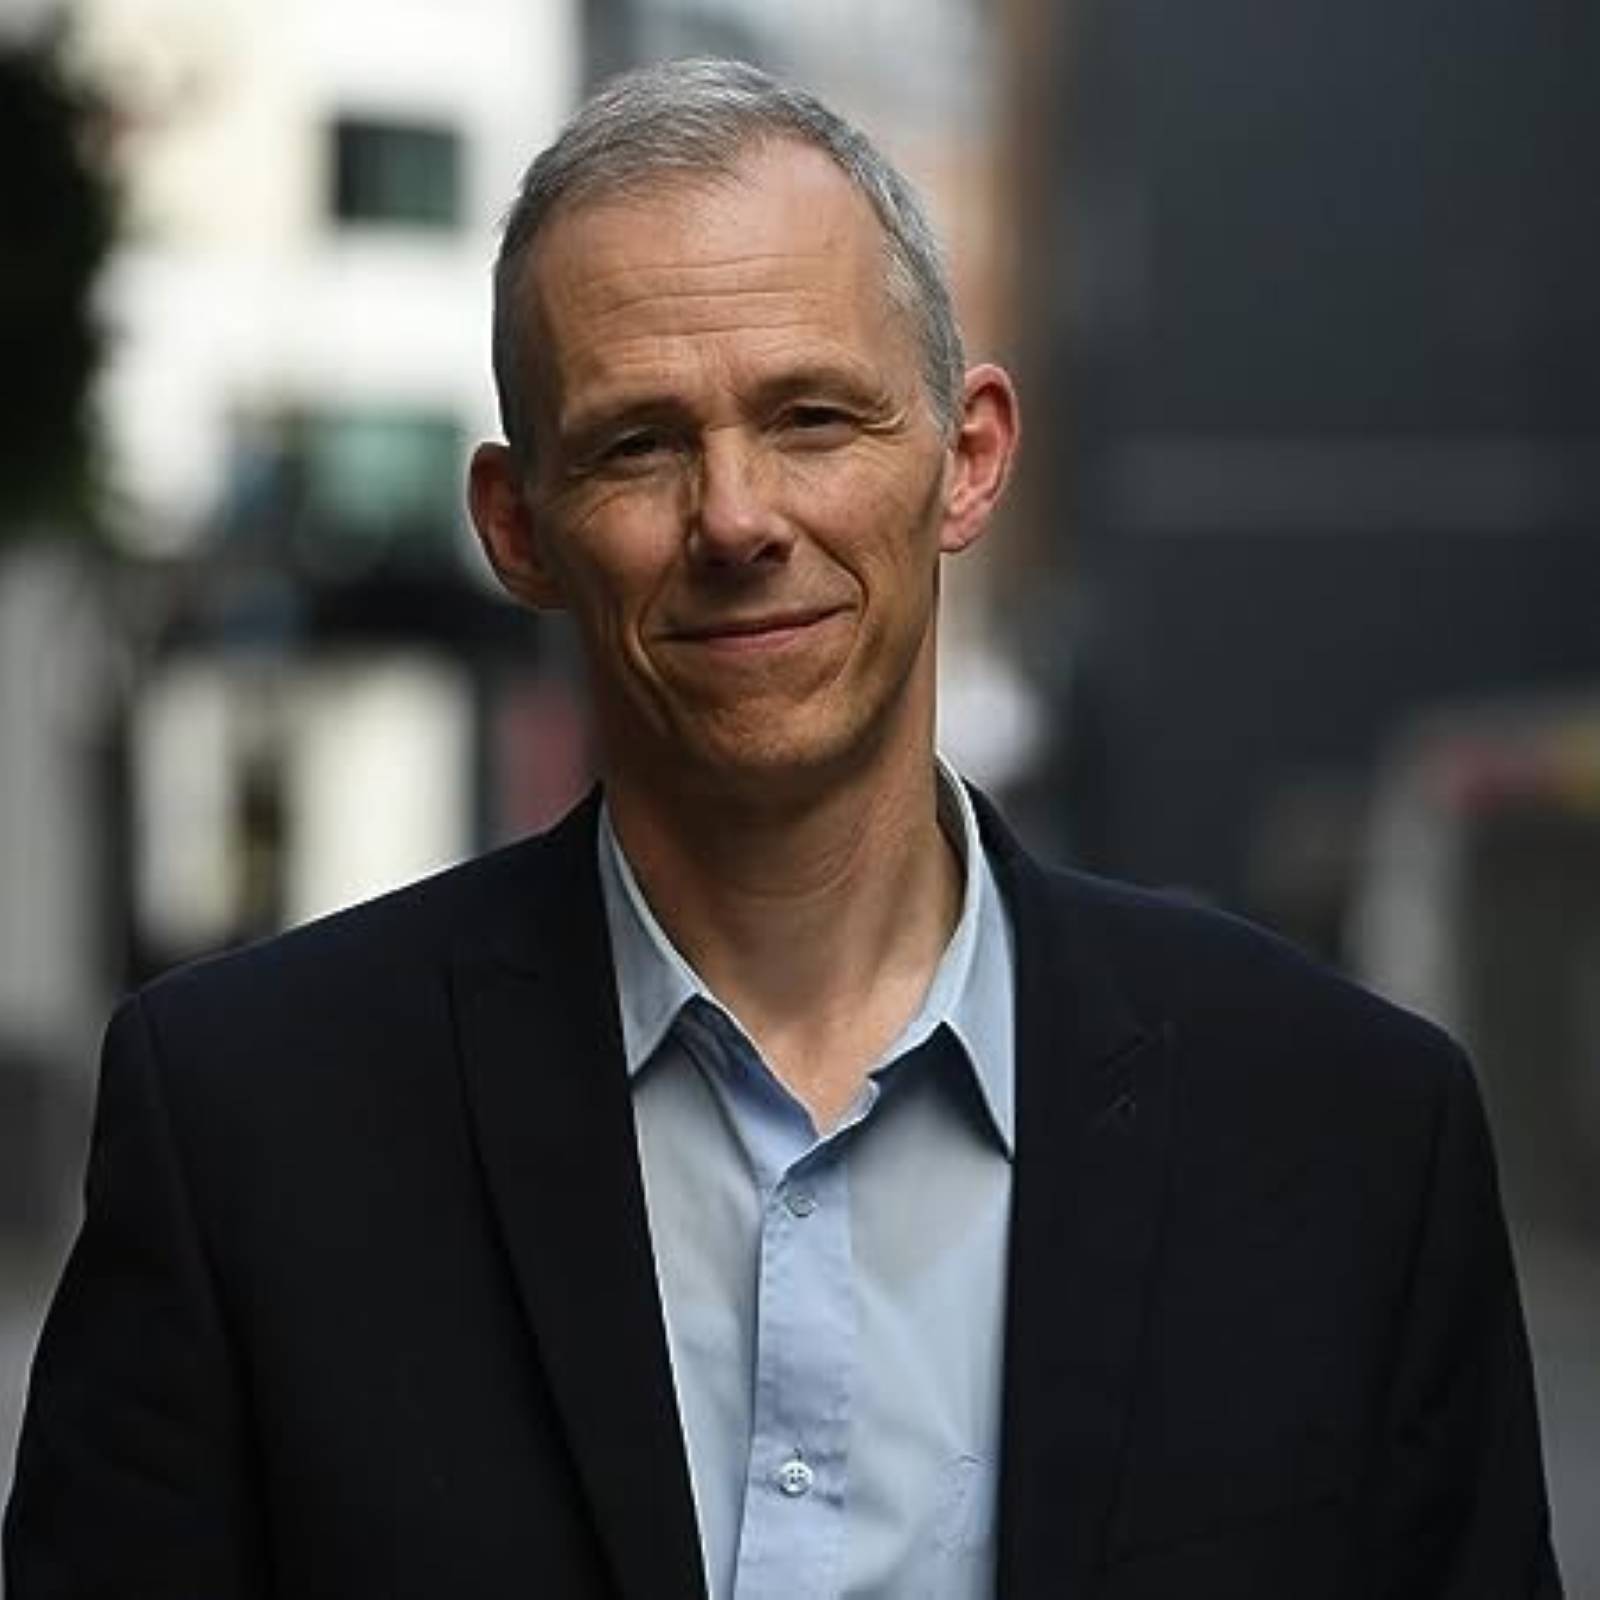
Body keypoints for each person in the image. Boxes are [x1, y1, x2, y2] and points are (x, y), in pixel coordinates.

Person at [4, 57, 1561, 1600]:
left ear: (969, 458)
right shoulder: (245, 1135)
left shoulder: (1350, 1135)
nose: (738, 517)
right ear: (516, 527)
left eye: (813, 417)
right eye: (638, 443)